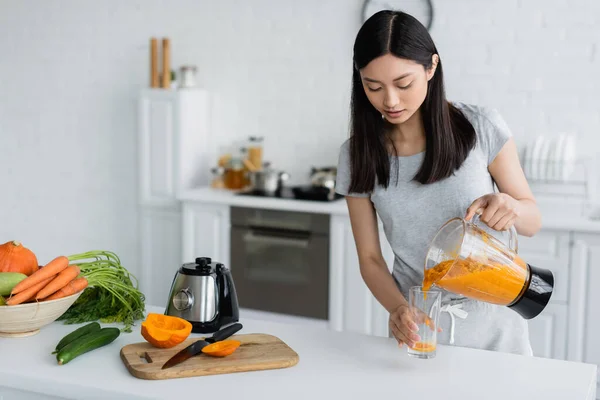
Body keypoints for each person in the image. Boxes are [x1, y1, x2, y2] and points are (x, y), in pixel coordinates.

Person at [334, 10, 542, 356]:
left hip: (497, 328)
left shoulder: (480, 127)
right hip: (421, 331)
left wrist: (512, 207)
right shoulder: (358, 155)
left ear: (431, 68)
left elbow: (533, 220)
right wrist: (398, 309)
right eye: (373, 86)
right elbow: (370, 258)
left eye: (403, 84)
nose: (390, 101)